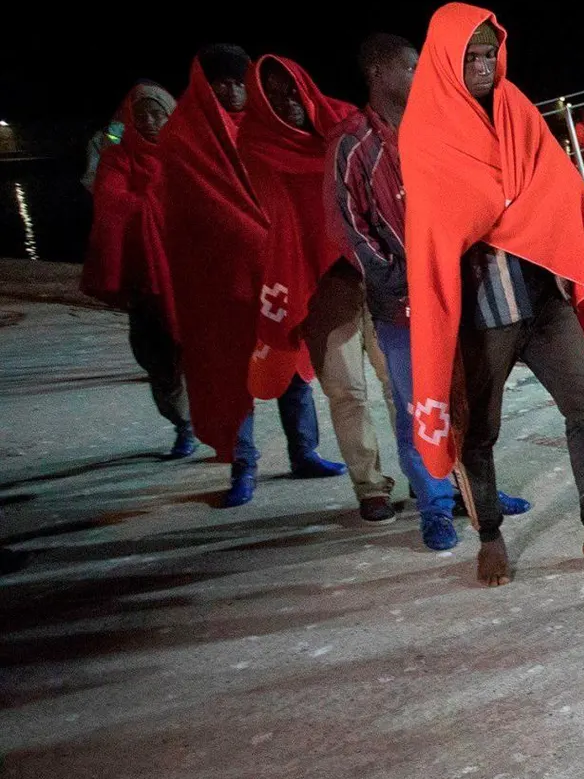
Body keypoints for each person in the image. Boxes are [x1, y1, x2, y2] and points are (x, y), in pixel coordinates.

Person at [401, 4, 584, 586]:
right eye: (470, 57)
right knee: (478, 431)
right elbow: (446, 217)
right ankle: (488, 537)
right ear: (447, 59)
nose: (483, 65)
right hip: (482, 313)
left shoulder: (517, 108)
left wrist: (513, 209)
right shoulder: (426, 128)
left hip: (542, 298)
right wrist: (505, 206)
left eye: (489, 53)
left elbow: (561, 183)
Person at [334, 34, 532, 551]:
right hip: (403, 308)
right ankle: (435, 504)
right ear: (379, 72)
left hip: (458, 297)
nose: (422, 73)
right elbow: (351, 229)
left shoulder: (438, 127)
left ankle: (477, 494)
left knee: (468, 398)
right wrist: (406, 279)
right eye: (411, 66)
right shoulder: (353, 144)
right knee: (418, 406)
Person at [150, 45, 344, 508]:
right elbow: (191, 214)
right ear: (205, 85)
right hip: (223, 284)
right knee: (236, 373)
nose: (234, 91)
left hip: (279, 270)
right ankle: (244, 465)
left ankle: (304, 452)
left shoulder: (267, 126)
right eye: (223, 83)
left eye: (240, 81)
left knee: (291, 366)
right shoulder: (185, 137)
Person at [241, 55, 399, 524]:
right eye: (271, 91)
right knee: (348, 390)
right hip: (320, 285)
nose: (285, 99)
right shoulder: (257, 144)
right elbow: (280, 223)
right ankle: (370, 486)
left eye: (290, 86)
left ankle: (436, 478)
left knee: (404, 384)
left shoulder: (346, 124)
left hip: (379, 273)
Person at [81, 81, 196, 458]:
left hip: (189, 276)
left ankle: (220, 426)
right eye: (141, 112)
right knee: (157, 358)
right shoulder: (116, 149)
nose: (149, 120)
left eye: (157, 112)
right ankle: (184, 423)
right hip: (145, 279)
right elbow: (107, 195)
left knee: (202, 356)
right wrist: (154, 207)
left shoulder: (190, 150)